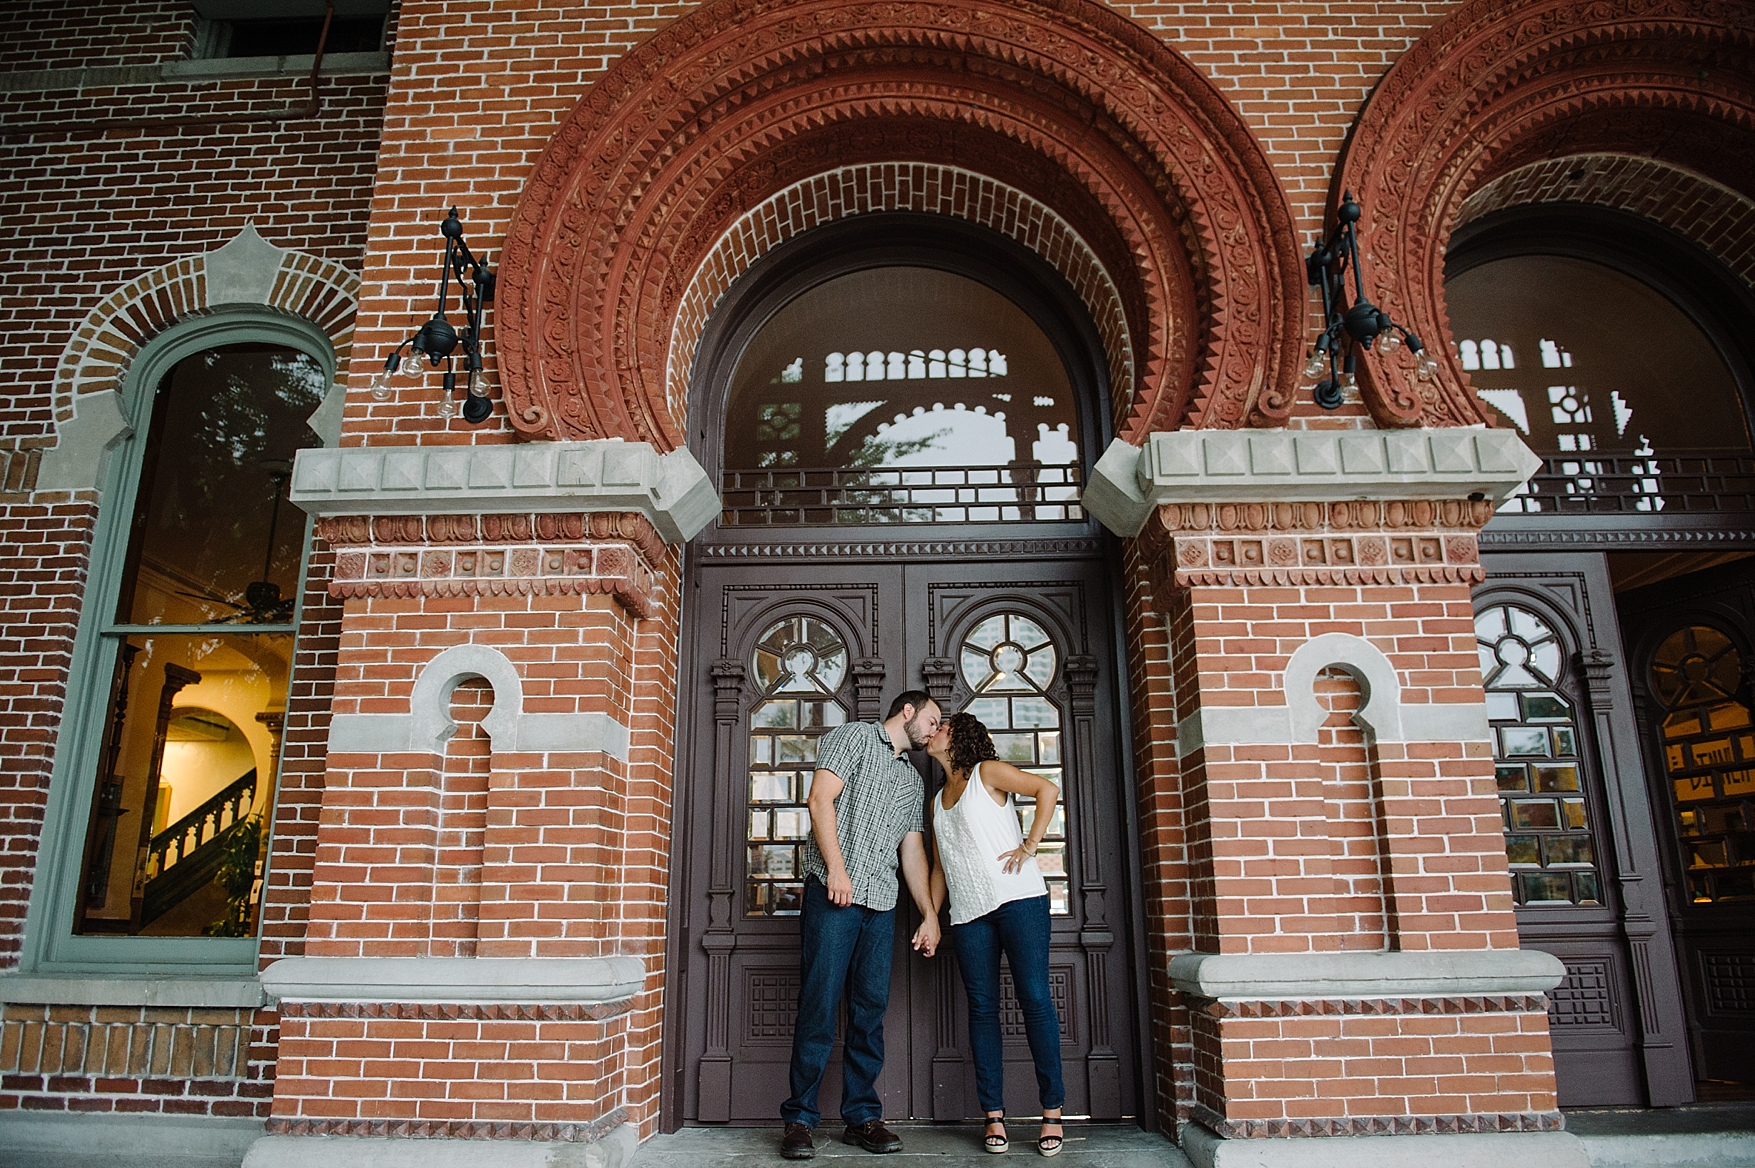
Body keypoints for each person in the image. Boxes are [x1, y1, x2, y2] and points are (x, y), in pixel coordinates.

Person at [779, 690, 944, 1160]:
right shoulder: (850, 737)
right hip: (835, 895)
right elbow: (819, 801)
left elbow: (912, 851)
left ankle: (862, 1117)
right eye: (932, 720)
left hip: (881, 905)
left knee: (869, 1013)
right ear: (907, 711)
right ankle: (799, 1119)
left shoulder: (911, 781)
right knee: (818, 1004)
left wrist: (929, 914)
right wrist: (836, 867)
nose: (934, 731)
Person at [925, 711, 1065, 1158]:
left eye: (941, 726)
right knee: (982, 1011)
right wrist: (930, 915)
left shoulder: (989, 771)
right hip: (968, 914)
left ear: (958, 736)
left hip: (1019, 900)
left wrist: (1030, 845)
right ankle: (994, 1115)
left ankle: (1052, 1113)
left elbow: (1048, 789)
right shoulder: (936, 800)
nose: (934, 731)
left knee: (1035, 1000)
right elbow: (939, 867)